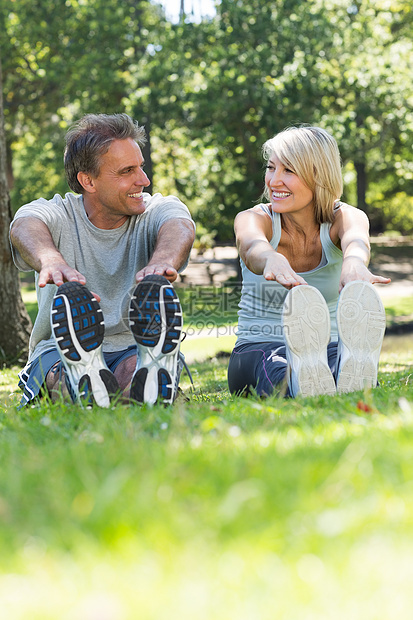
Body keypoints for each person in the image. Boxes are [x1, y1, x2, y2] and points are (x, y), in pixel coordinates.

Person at [9, 113, 195, 408]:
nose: (143, 180)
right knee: (61, 383)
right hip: (56, 349)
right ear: (88, 181)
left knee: (133, 376)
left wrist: (162, 262)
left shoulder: (153, 210)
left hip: (132, 346)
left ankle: (146, 372)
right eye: (127, 171)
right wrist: (51, 260)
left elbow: (179, 224)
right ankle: (79, 379)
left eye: (141, 168)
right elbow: (25, 224)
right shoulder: (59, 213)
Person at [228, 125, 391, 399]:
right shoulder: (254, 218)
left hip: (327, 345)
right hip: (257, 347)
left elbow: (356, 240)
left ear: (318, 176)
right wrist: (270, 258)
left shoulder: (345, 217)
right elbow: (251, 244)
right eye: (271, 168)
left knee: (332, 363)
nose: (274, 181)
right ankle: (300, 379)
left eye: (288, 171)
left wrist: (354, 263)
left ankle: (348, 369)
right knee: (278, 366)